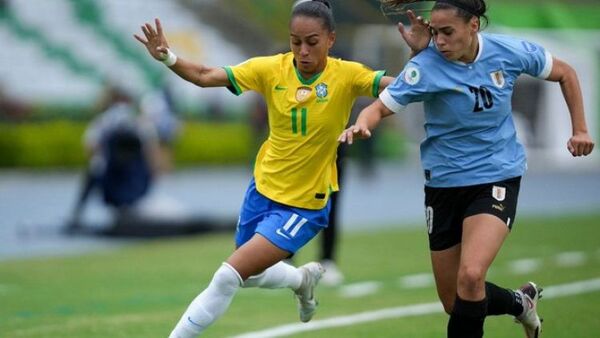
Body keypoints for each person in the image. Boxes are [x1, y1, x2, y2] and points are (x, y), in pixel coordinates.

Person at [134, 1, 394, 337]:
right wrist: (168, 56)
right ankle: (302, 279)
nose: (302, 50)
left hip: (305, 204)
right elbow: (203, 76)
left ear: (331, 38)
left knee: (228, 275)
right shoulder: (270, 69)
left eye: (312, 42)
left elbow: (400, 86)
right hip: (262, 189)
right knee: (251, 274)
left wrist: (430, 68)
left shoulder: (347, 74)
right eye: (294, 41)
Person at [340, 1, 595, 337]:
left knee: (471, 276)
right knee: (454, 301)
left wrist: (580, 129)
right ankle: (521, 304)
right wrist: (361, 124)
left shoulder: (509, 51)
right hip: (442, 185)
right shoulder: (426, 67)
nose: (440, 41)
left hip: (496, 175)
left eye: (448, 32)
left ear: (473, 25)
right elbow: (378, 108)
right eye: (435, 33)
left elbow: (566, 73)